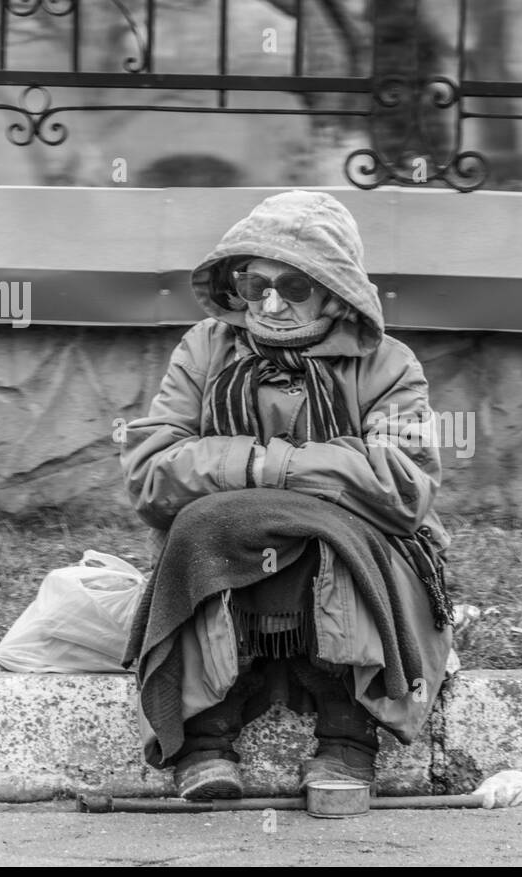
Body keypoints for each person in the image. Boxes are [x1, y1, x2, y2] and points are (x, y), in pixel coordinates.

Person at [120, 189, 454, 800]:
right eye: (254, 285)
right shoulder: (203, 348)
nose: (270, 304)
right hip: (227, 546)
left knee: (334, 530)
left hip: (355, 554)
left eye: (294, 288)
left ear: (334, 292)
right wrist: (297, 468)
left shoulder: (389, 364)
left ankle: (348, 735)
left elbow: (403, 486)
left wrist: (248, 467)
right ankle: (205, 737)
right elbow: (152, 474)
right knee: (207, 527)